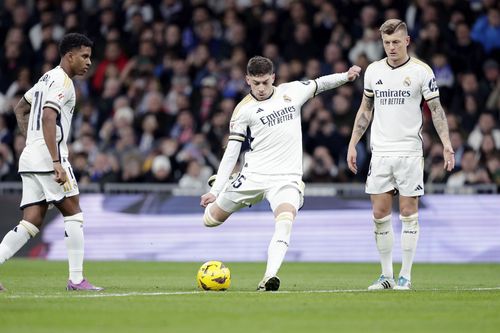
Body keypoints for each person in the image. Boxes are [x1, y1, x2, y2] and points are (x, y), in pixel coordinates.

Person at [200, 56, 360, 291]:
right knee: (210, 220)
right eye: (256, 83)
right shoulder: (243, 111)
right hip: (253, 176)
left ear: (273, 78)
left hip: (286, 178)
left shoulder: (292, 91)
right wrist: (215, 191)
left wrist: (345, 77)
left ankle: (269, 278)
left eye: (265, 82)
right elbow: (232, 153)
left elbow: (319, 83)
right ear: (247, 81)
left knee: (285, 222)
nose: (261, 88)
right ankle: (227, 185)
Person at [347, 19, 455, 291]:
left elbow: (437, 110)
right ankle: (386, 276)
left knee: (409, 213)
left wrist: (446, 143)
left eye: (396, 42)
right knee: (379, 214)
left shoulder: (421, 71)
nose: (391, 47)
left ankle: (405, 276)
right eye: (386, 43)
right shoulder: (373, 71)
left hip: (409, 152)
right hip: (380, 152)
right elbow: (365, 110)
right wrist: (352, 143)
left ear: (407, 41)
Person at [0, 33, 102, 292]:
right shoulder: (62, 81)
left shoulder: (45, 78)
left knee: (31, 221)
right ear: (70, 56)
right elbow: (48, 117)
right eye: (85, 56)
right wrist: (55, 160)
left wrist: (31, 139)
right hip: (48, 158)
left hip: (31, 157)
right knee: (74, 212)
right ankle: (77, 280)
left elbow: (20, 108)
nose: (89, 62)